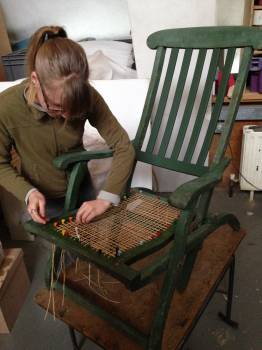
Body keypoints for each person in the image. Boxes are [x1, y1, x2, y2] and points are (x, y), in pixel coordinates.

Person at [0, 25, 135, 225]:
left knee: (91, 243)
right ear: (35, 80)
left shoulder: (88, 95)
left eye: (75, 109)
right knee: (61, 251)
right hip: (43, 199)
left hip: (82, 187)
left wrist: (107, 198)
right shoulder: (7, 107)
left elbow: (123, 146)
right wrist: (28, 193)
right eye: (57, 108)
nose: (66, 117)